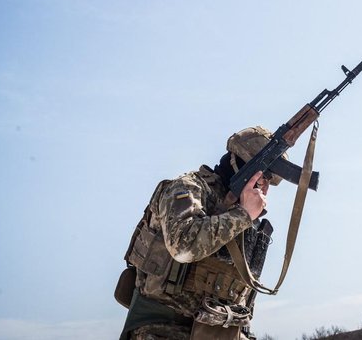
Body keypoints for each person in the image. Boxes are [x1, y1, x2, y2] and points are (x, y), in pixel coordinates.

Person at [119, 126, 284, 340]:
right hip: (165, 328)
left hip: (220, 331)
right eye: (264, 177)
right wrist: (243, 215)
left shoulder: (242, 214)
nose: (265, 188)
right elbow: (184, 247)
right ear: (242, 167)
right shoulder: (187, 189)